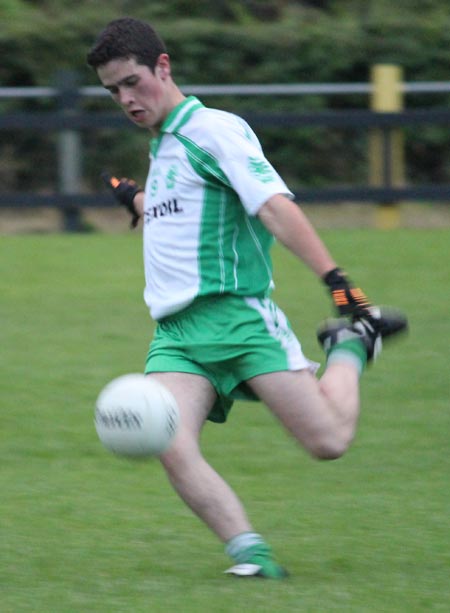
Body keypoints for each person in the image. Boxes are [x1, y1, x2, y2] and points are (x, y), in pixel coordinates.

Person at [87, 17, 407, 579]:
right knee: (170, 442)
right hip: (177, 336)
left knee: (328, 441)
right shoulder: (164, 145)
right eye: (114, 91)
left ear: (163, 66)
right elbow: (188, 216)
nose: (126, 99)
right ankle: (251, 556)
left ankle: (351, 344)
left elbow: (274, 206)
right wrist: (140, 203)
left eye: (134, 82)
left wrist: (337, 281)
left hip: (238, 320)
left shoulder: (213, 130)